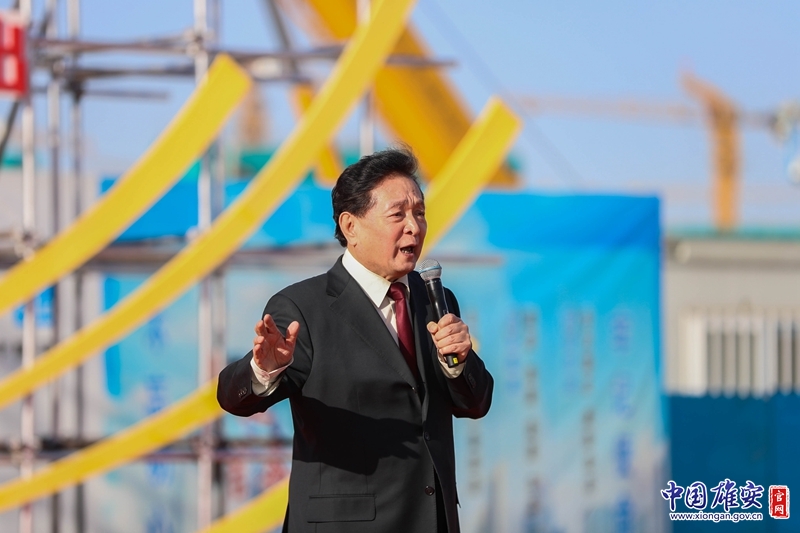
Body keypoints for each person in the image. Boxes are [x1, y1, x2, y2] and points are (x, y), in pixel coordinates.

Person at [217, 148, 493, 533]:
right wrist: (264, 369)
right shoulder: (303, 308)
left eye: (419, 212)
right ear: (351, 226)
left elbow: (475, 404)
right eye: (398, 214)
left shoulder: (436, 299)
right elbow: (232, 397)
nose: (414, 227)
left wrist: (459, 362)